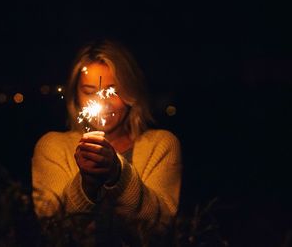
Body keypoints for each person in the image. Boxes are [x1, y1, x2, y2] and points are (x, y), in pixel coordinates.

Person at [32, 39, 182, 245]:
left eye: (112, 90)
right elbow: (55, 231)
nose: (102, 101)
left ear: (131, 90)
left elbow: (158, 229)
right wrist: (86, 184)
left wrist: (118, 175)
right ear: (76, 95)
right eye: (89, 91)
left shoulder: (162, 145)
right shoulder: (52, 148)